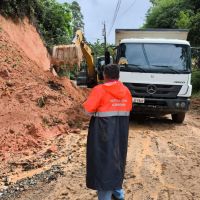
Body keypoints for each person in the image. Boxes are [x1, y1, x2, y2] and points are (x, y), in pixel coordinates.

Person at [83, 64, 132, 200]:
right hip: (121, 131)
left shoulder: (99, 90)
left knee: (103, 163)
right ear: (118, 75)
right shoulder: (126, 91)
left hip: (102, 131)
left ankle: (105, 197)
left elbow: (88, 111)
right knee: (116, 160)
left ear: (104, 75)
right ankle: (118, 193)